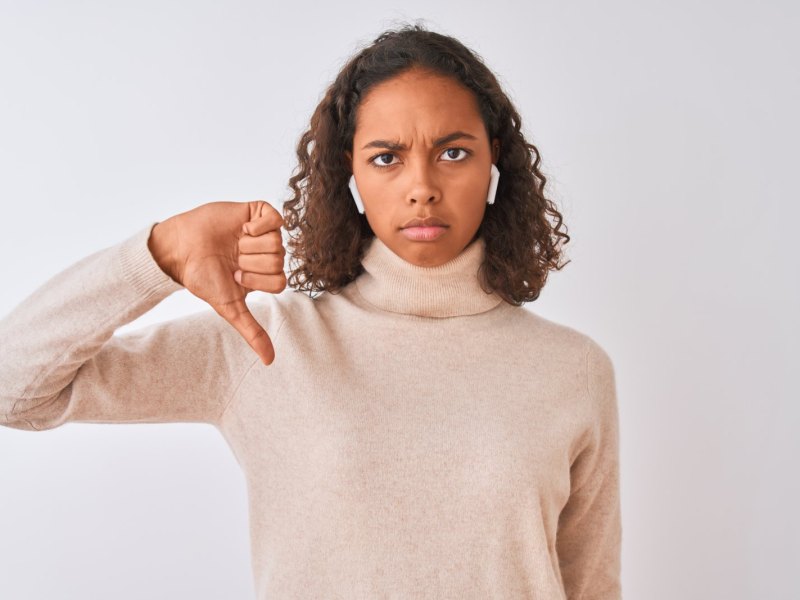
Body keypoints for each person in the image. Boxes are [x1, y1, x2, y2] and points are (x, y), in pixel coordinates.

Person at [0, 23, 622, 599]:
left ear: (494, 165)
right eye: (387, 157)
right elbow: (14, 389)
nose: (422, 185)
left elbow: (589, 585)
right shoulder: (270, 343)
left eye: (454, 152)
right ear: (348, 175)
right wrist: (156, 254)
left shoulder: (571, 368)